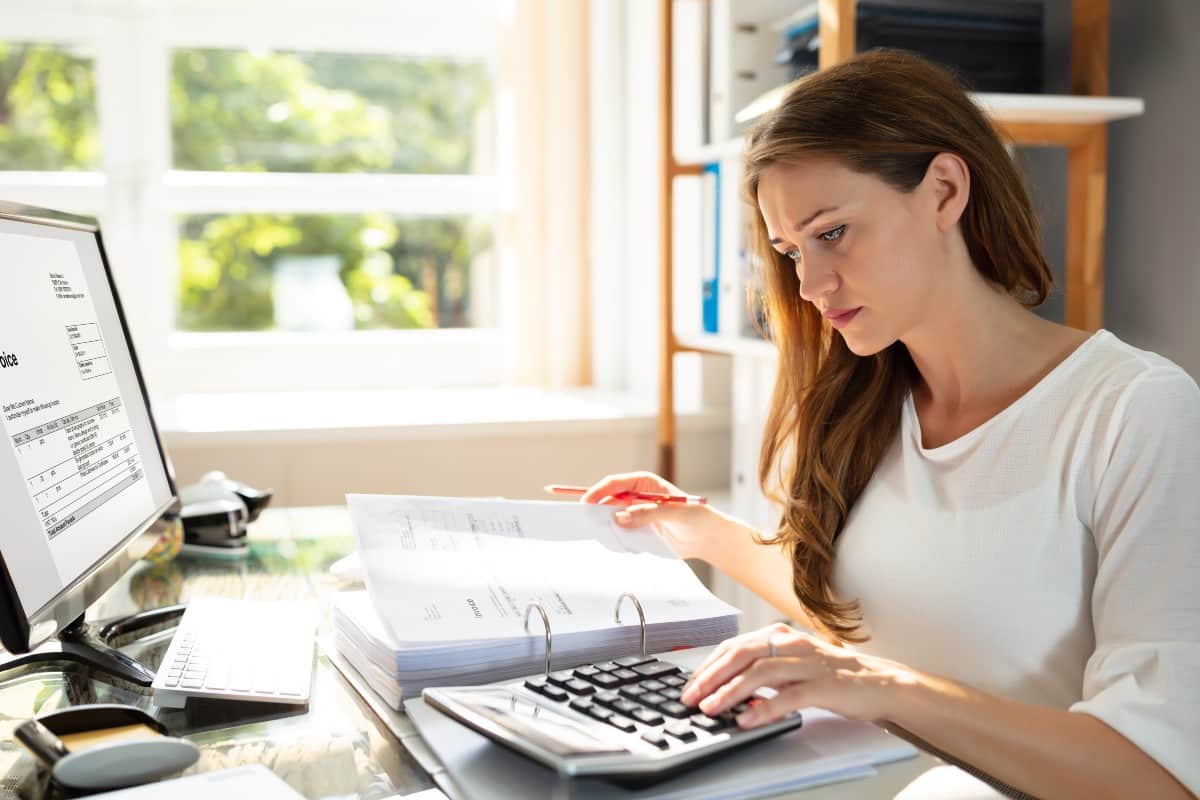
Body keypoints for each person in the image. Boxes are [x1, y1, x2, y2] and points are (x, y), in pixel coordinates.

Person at [583, 49, 1199, 798]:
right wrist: (705, 532)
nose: (809, 284)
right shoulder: (866, 402)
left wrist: (876, 685)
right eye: (790, 250)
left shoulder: (1135, 413)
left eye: (833, 232)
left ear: (944, 190)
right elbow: (878, 610)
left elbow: (1159, 774)